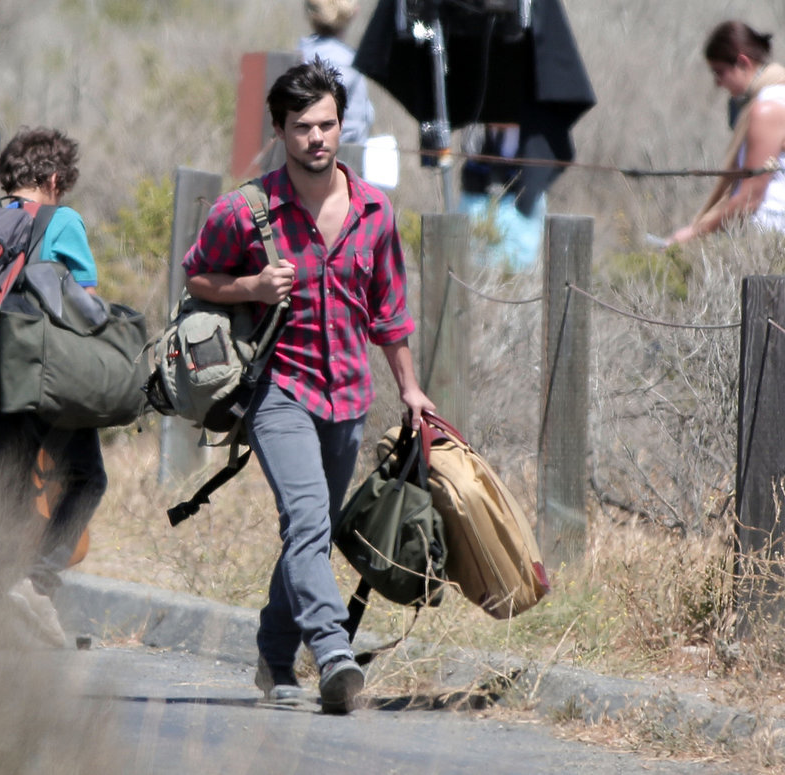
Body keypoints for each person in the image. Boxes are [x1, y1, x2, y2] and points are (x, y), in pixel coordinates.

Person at [182, 59, 435, 714]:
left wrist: (409, 389)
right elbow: (198, 279)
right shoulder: (245, 210)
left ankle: (272, 654)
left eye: (326, 124)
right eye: (302, 127)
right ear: (280, 130)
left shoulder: (376, 212)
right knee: (304, 518)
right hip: (278, 391)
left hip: (349, 396)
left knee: (312, 532)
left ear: (341, 125)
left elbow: (391, 313)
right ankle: (333, 654)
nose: (317, 138)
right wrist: (252, 288)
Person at [0, 127, 107, 646]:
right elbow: (84, 301)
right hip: (46, 374)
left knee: (5, 490)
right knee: (87, 479)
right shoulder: (61, 220)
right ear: (54, 179)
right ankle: (36, 583)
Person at [668, 21, 785, 245]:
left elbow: (749, 198)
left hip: (771, 237)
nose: (718, 83)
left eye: (719, 72)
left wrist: (693, 233)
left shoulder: (768, 108)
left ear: (742, 62)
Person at [458, 123, 546, 272]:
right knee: (471, 266)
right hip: (477, 197)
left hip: (521, 203)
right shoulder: (475, 127)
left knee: (517, 270)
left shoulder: (535, 135)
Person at [298, 0, 375, 145]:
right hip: (342, 159)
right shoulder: (350, 64)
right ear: (353, 13)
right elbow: (354, 129)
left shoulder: (298, 56)